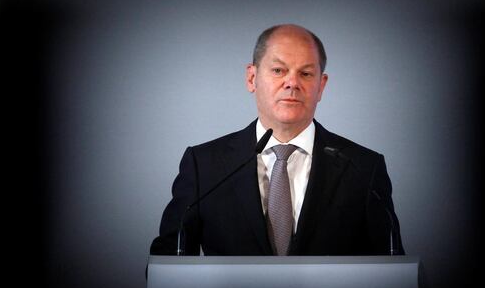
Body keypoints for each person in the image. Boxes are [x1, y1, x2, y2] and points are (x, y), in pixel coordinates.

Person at [151, 24, 403, 256]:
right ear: (252, 78)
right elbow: (168, 263)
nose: (292, 83)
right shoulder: (204, 166)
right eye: (278, 70)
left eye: (305, 73)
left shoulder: (362, 167)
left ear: (321, 86)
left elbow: (393, 273)